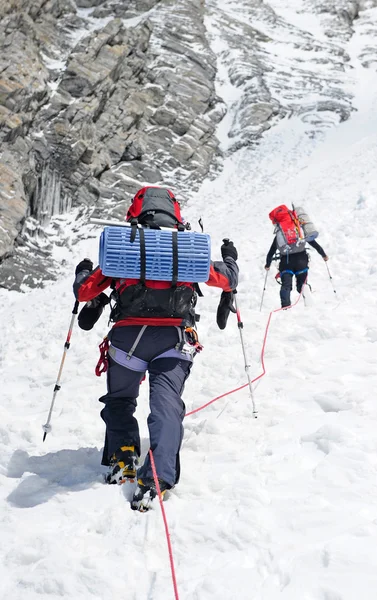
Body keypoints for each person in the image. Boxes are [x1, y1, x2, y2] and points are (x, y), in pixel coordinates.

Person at [73, 186, 239, 511]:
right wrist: (230, 255)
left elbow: (84, 291)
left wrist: (83, 268)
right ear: (175, 215)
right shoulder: (187, 250)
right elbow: (227, 279)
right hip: (174, 342)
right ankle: (156, 480)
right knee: (166, 405)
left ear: (136, 213)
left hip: (127, 342)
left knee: (120, 400)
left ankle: (123, 459)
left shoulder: (124, 249)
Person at [264, 236, 328, 308]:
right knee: (301, 284)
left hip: (286, 263)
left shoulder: (280, 235)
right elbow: (314, 244)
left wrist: (267, 264)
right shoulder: (300, 232)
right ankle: (304, 288)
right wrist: (324, 255)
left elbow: (271, 252)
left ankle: (286, 307)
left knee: (286, 286)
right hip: (301, 261)